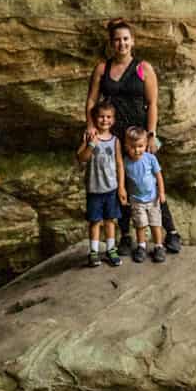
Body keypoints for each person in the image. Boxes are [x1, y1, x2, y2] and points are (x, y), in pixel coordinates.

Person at [84, 20, 183, 253]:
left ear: (133, 41)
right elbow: (91, 101)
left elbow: (152, 103)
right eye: (117, 39)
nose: (122, 43)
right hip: (115, 136)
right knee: (121, 183)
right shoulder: (102, 69)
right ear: (111, 43)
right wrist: (91, 127)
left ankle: (171, 232)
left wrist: (151, 135)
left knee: (149, 180)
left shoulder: (143, 68)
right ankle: (126, 236)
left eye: (126, 39)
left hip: (139, 134)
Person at [75, 102, 126, 268]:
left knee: (110, 220)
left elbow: (119, 164)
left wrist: (121, 187)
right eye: (101, 116)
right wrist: (91, 144)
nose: (105, 120)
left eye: (109, 117)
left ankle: (111, 249)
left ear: (113, 120)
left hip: (111, 188)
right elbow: (81, 157)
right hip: (94, 189)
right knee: (95, 221)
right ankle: (94, 252)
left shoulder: (115, 140)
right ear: (95, 118)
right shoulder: (89, 136)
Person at [120, 126, 166, 263]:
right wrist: (122, 191)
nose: (137, 150)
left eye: (140, 146)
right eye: (133, 147)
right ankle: (141, 246)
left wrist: (162, 193)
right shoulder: (125, 161)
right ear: (126, 146)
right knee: (140, 225)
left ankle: (158, 246)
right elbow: (123, 178)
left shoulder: (150, 158)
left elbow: (159, 176)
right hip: (136, 200)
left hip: (153, 198)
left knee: (155, 223)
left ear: (146, 145)